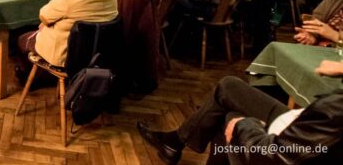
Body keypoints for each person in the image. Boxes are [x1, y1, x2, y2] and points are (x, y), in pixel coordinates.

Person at [137, 66, 343, 165]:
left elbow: (277, 155)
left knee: (230, 113)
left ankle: (175, 142)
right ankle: (175, 142)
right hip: (302, 124)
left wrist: (245, 124)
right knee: (229, 87)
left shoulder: (336, 110)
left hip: (294, 142)